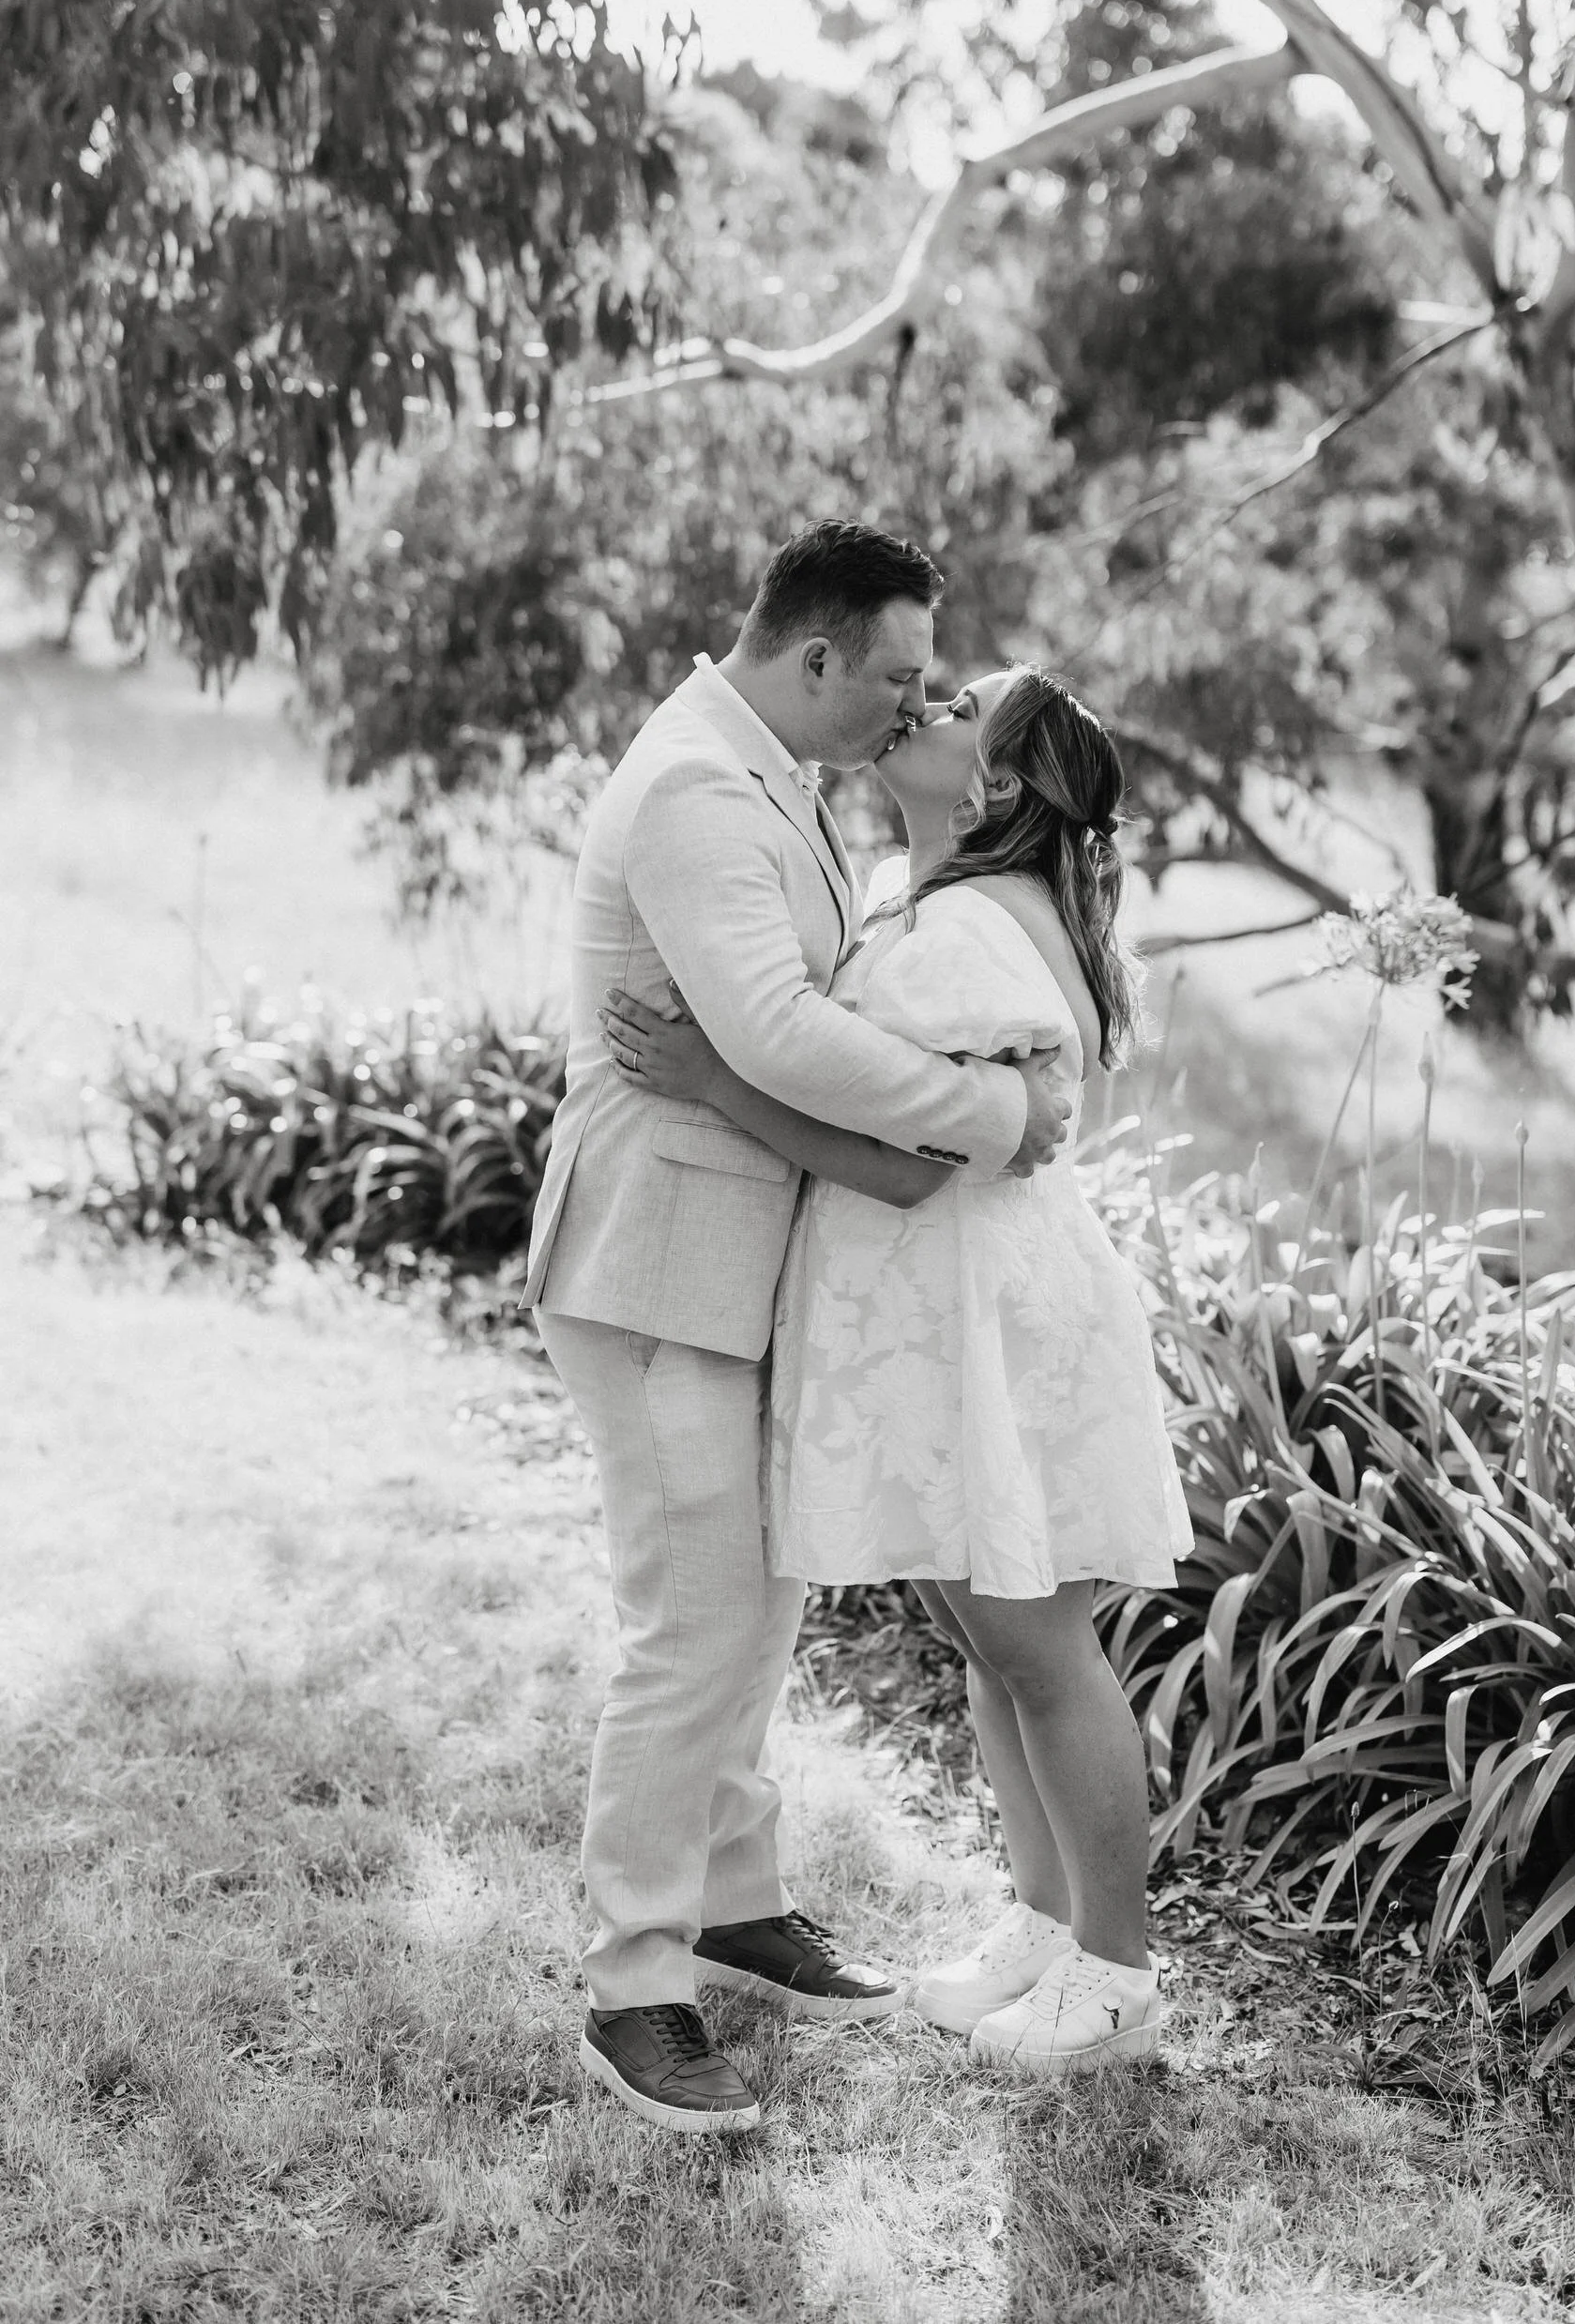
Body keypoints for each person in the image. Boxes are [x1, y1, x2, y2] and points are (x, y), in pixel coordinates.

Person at [521, 524, 1073, 2134]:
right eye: (898, 674)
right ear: (814, 658)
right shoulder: (699, 789)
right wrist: (990, 1112)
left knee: (755, 1604)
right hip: (655, 1261)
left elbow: (797, 1021)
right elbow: (773, 1032)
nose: (912, 704)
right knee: (690, 1620)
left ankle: (738, 1901)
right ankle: (633, 1982)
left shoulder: (774, 775)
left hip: (741, 1257)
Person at [602, 662, 1193, 2077]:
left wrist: (712, 1083)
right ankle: (1045, 1927)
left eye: (956, 710)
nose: (923, 707)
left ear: (993, 785)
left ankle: (1115, 1968)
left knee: (1044, 1649)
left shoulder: (982, 929)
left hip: (992, 1315)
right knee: (995, 1651)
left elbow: (907, 1162)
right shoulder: (916, 895)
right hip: (934, 1325)